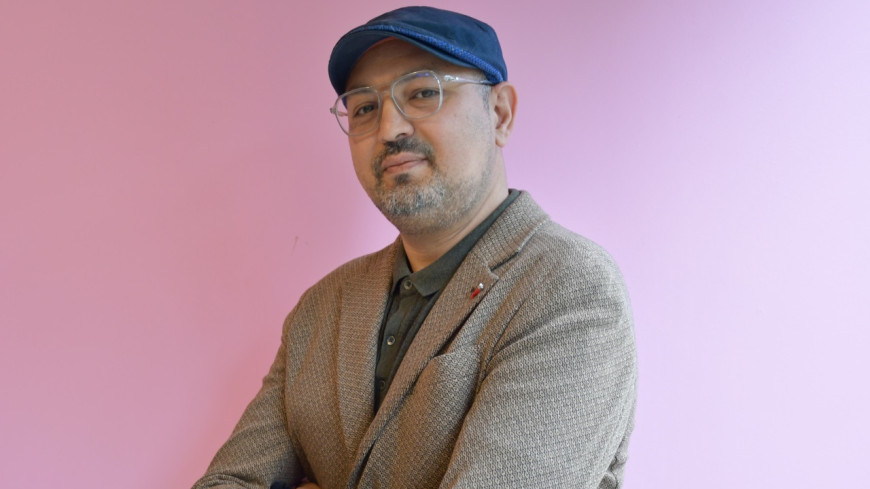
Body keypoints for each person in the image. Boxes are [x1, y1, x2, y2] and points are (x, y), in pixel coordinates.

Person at [192, 6, 636, 489]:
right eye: (365, 108)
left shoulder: (569, 290)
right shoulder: (319, 310)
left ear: (500, 114)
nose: (390, 130)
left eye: (423, 92)